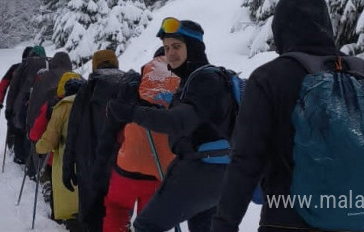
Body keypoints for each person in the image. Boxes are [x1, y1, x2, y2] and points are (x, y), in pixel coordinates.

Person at [210, 0, 364, 232]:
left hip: (288, 222)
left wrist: (224, 224)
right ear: (326, 26)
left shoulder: (268, 78)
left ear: (280, 30)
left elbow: (246, 160)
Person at [107, 19, 235, 232]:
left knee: (147, 225)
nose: (171, 53)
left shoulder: (204, 80)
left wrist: (130, 112)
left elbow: (178, 121)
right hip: (218, 172)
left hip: (202, 172)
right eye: (167, 48)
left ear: (193, 47)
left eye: (177, 46)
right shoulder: (196, 79)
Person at [93, 47, 180, 232]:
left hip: (129, 164)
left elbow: (112, 125)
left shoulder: (137, 83)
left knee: (117, 207)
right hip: (161, 171)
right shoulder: (182, 83)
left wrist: (100, 168)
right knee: (149, 221)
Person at [63, 49, 124, 232]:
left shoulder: (87, 90)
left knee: (93, 219)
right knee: (119, 218)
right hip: (123, 167)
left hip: (90, 167)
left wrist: (67, 168)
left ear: (95, 65)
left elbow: (72, 131)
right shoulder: (130, 85)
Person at [36, 72, 86, 232]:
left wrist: (38, 147)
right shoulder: (91, 104)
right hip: (89, 163)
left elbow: (49, 139)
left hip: (64, 162)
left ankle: (63, 223)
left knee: (67, 199)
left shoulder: (61, 106)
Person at [5, 45, 48, 166]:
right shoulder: (48, 65)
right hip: (40, 106)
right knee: (32, 132)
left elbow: (13, 88)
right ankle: (32, 161)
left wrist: (8, 108)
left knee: (20, 129)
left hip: (21, 104)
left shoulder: (23, 66)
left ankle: (19, 157)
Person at [0, 47, 33, 152]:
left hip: (14, 104)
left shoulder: (15, 68)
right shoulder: (40, 69)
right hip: (32, 105)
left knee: (13, 125)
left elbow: (3, 84)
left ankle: (11, 148)